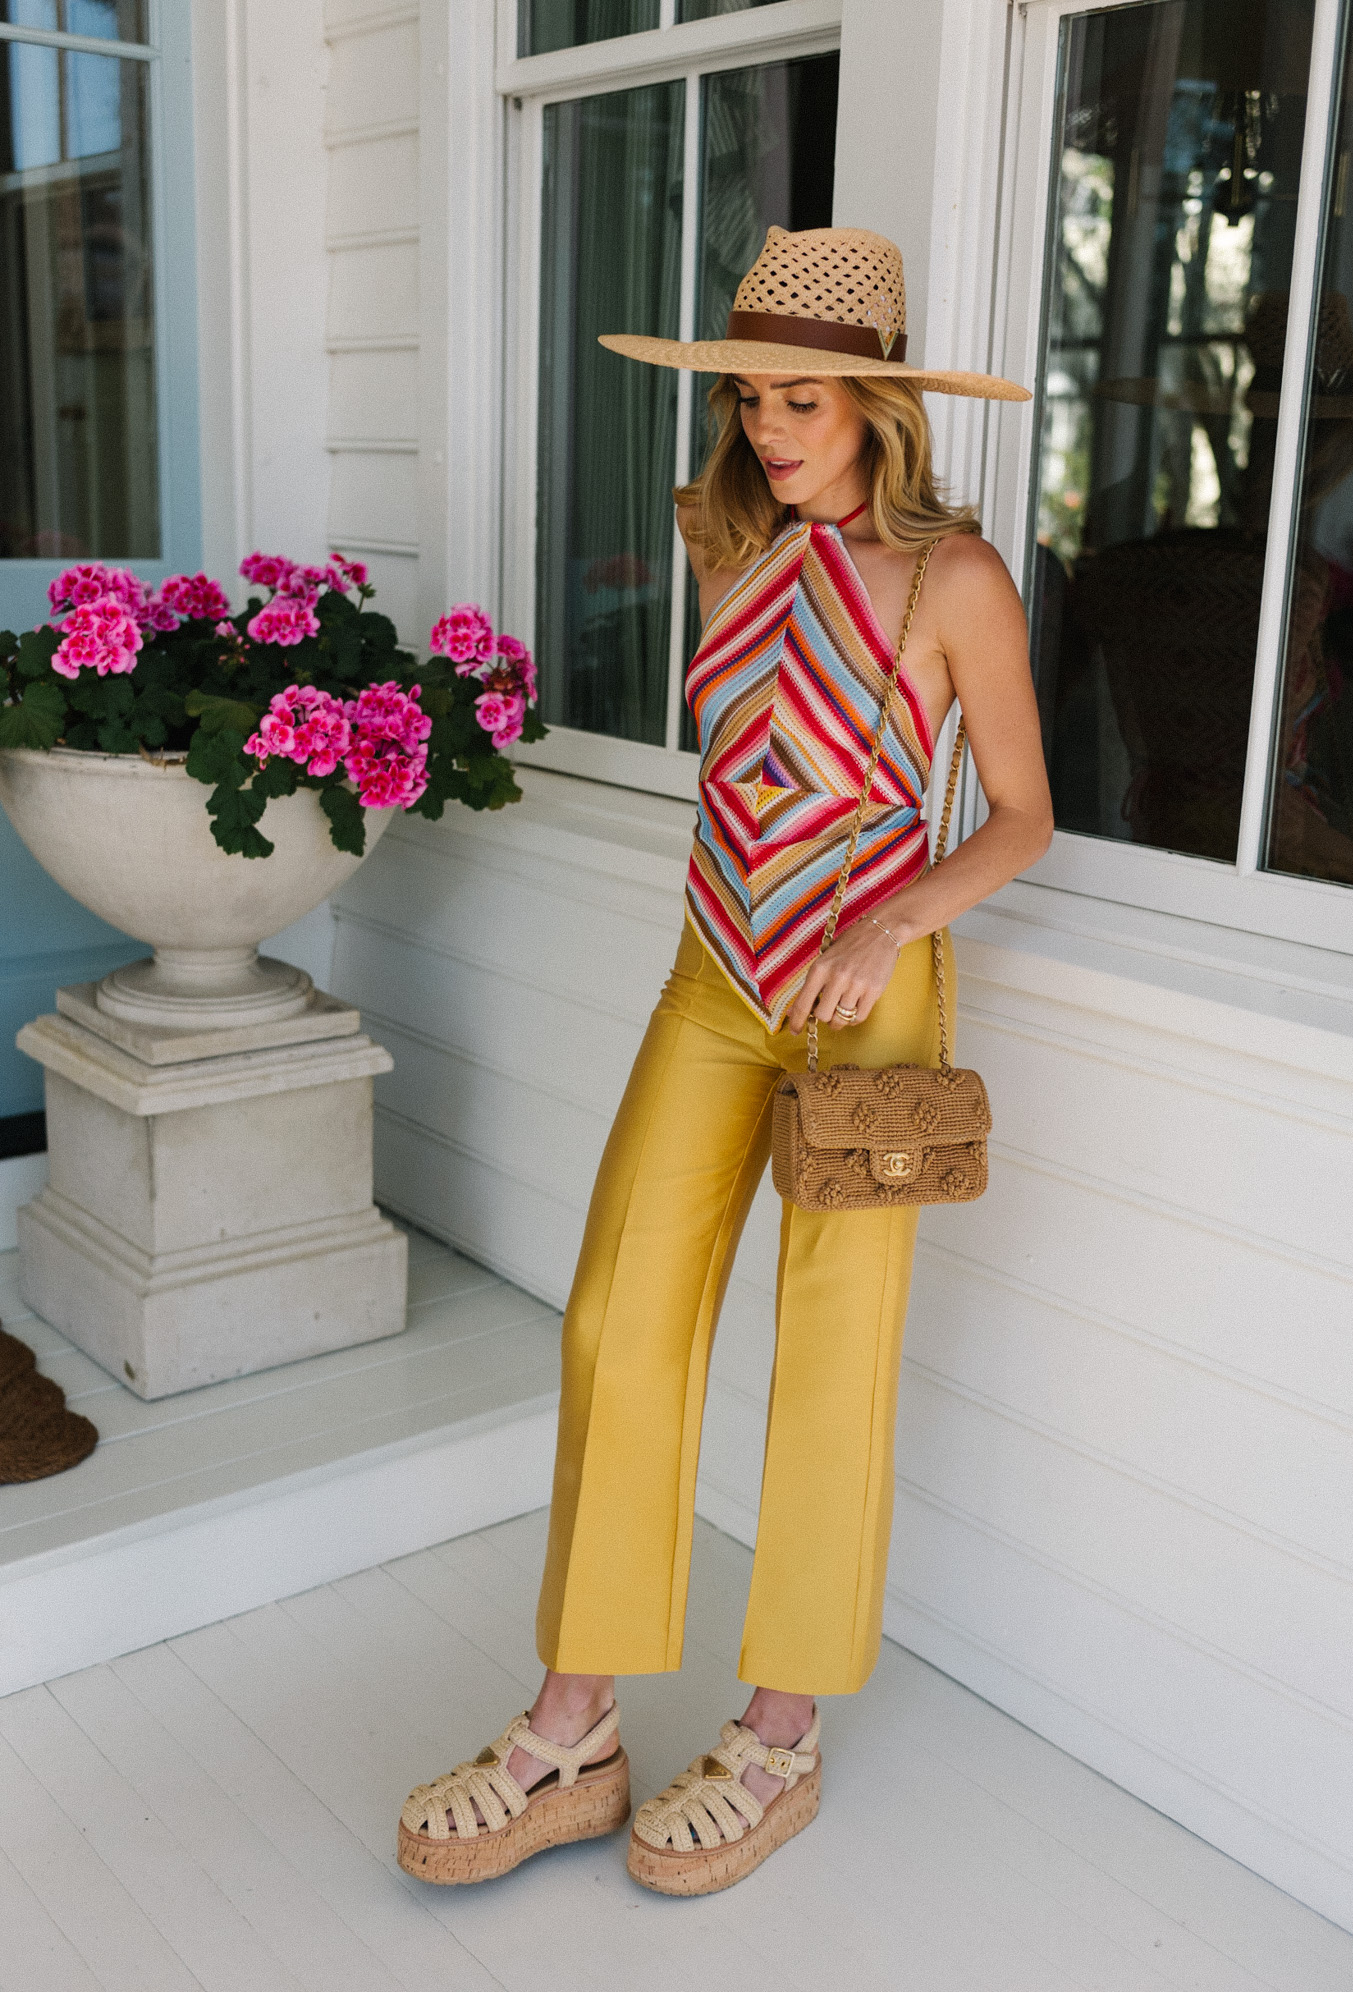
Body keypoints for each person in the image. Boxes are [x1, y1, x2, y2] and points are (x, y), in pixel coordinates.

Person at [397, 226, 1051, 1896]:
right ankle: (576, 1729)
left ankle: (779, 1741)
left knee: (833, 1350)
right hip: (714, 973)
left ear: (880, 406)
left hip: (869, 1000)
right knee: (624, 1312)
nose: (771, 426)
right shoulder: (724, 534)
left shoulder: (957, 581)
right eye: (753, 394)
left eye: (806, 399)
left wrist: (886, 924)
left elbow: (1025, 820)